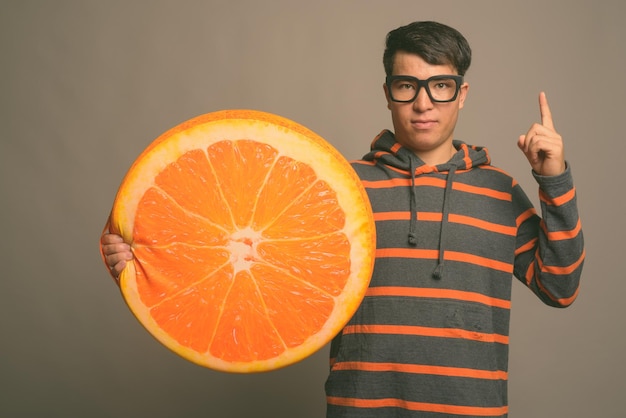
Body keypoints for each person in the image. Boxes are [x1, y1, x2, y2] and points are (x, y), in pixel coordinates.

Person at [101, 21, 584, 417]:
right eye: (406, 85)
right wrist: (140, 255)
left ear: (461, 93)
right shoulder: (340, 189)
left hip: (472, 411)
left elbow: (560, 286)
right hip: (360, 409)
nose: (423, 102)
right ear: (388, 92)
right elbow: (247, 260)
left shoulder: (499, 191)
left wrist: (554, 180)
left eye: (440, 86)